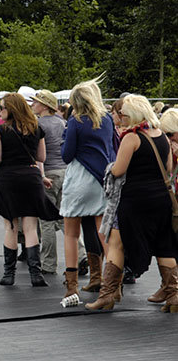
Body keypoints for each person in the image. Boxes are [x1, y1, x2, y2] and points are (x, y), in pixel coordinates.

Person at [87, 95, 178, 312]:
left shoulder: (132, 138)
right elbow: (167, 169)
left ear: (135, 114)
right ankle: (174, 296)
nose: (121, 117)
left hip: (135, 201)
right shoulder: (161, 137)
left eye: (124, 114)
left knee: (116, 244)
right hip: (162, 200)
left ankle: (107, 295)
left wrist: (109, 168)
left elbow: (118, 170)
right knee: (164, 246)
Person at [0, 93, 60, 287]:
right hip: (31, 178)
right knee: (31, 229)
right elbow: (41, 157)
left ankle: (8, 274)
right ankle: (35, 274)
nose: (0, 110)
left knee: (10, 227)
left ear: (11, 109)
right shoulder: (36, 128)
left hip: (7, 179)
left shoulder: (0, 131)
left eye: (3, 107)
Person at [60, 79, 116, 300]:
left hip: (79, 180)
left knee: (71, 235)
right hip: (102, 180)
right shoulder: (108, 119)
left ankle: (71, 287)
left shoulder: (75, 122)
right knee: (105, 235)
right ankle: (112, 285)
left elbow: (67, 154)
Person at [30, 90, 87, 275]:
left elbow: (37, 155)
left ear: (45, 106)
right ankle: (81, 254)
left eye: (36, 102)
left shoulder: (37, 125)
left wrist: (40, 174)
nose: (33, 105)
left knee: (46, 220)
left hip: (47, 172)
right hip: (65, 172)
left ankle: (48, 263)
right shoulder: (63, 123)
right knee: (66, 218)